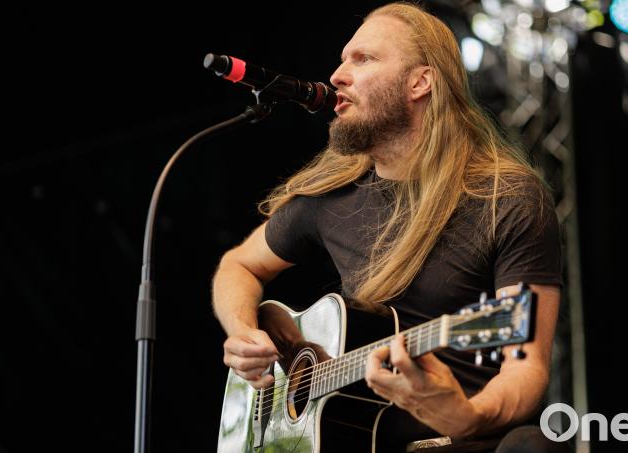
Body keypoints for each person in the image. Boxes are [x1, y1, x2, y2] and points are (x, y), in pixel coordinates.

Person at [212, 2, 567, 452]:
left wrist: (469, 415)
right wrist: (243, 331)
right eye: (343, 60)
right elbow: (238, 266)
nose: (337, 76)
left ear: (420, 82)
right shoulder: (332, 192)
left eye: (363, 59)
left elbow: (526, 366)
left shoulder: (507, 198)